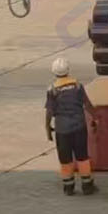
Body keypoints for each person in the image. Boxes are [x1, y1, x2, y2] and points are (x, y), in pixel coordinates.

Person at [45, 57, 96, 195]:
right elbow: (87, 104)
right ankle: (87, 185)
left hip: (62, 130)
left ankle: (68, 187)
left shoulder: (52, 89)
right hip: (79, 127)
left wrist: (48, 129)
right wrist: (95, 118)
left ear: (53, 71)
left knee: (65, 158)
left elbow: (49, 112)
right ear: (68, 69)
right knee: (82, 156)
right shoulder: (78, 85)